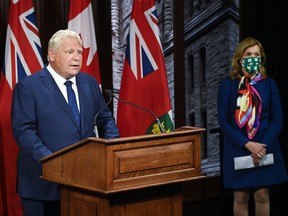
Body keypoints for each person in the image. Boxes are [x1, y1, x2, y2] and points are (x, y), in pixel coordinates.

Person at [11, 29, 120, 216]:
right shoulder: (28, 87)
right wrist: (54, 162)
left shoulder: (89, 83)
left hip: (85, 181)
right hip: (42, 184)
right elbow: (24, 131)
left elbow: (105, 119)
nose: (77, 58)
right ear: (52, 55)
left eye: (79, 52)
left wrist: (112, 149)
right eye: (69, 52)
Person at [217, 37, 288, 216]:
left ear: (261, 58)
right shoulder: (228, 84)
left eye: (256, 54)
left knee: (262, 195)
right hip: (238, 146)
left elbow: (277, 119)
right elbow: (224, 122)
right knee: (240, 197)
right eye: (248, 54)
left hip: (265, 145)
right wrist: (247, 144)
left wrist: (261, 146)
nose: (252, 58)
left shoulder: (269, 84)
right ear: (240, 58)